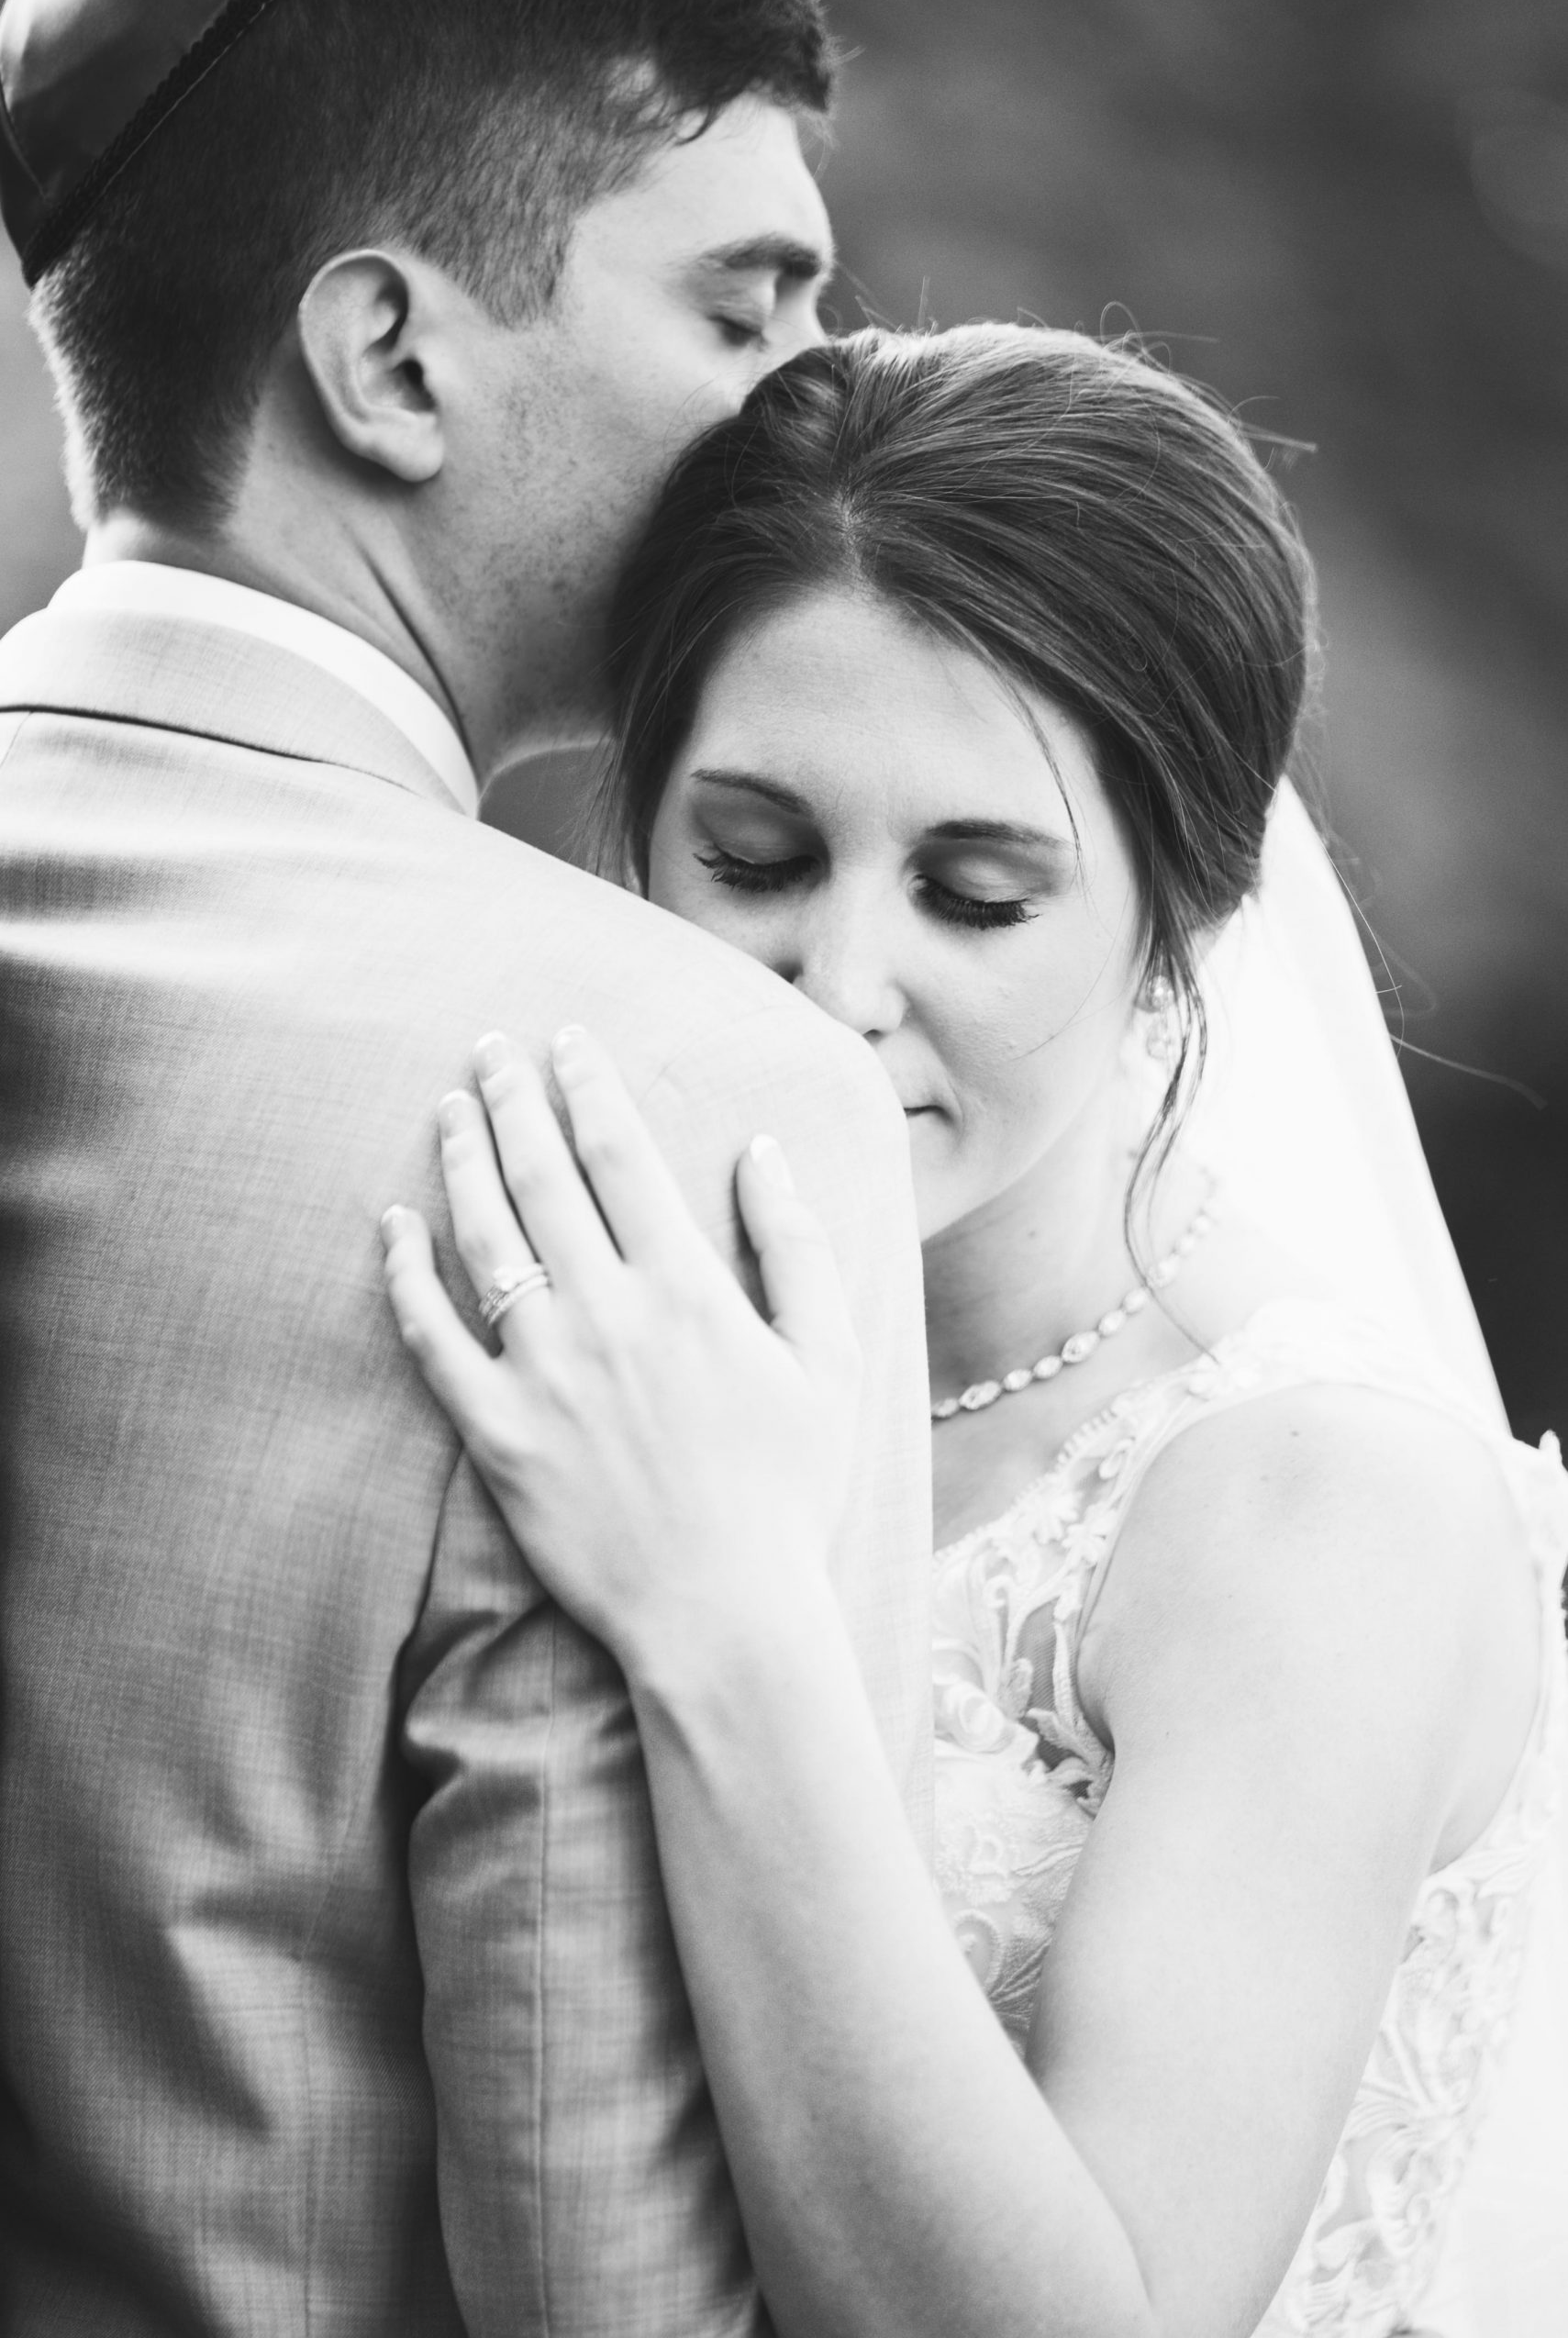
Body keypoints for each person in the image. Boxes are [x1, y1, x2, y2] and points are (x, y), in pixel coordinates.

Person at [384, 326, 1568, 2338]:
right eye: (753, 856)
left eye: (977, 892)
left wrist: (728, 1615)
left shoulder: (1318, 1504)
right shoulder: (610, 1325)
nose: (838, 982)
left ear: (1188, 915)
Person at [0, 0, 936, 2332]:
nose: (818, 397)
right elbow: (594, 2262)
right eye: (744, 305)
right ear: (392, 357)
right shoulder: (660, 1100)